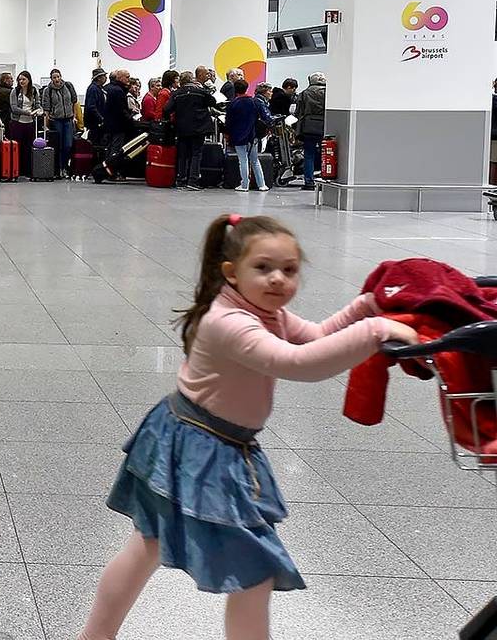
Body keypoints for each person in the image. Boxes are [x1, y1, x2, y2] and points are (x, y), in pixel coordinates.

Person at [76, 213, 418, 640]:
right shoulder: (229, 322)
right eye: (263, 268)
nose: (278, 280)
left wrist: (364, 307)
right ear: (231, 273)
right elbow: (297, 363)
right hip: (195, 447)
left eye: (289, 271)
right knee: (248, 568)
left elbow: (313, 335)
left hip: (201, 441)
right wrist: (374, 329)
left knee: (150, 545)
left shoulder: (263, 309)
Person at [165, 72, 215, 191]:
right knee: (196, 154)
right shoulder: (200, 92)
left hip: (182, 129)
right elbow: (213, 102)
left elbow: (167, 109)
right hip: (198, 128)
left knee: (183, 155)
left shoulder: (176, 94)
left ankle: (181, 180)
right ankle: (193, 180)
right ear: (192, 80)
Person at [226, 80, 273, 192]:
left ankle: (244, 185)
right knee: (255, 160)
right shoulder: (254, 102)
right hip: (253, 135)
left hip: (238, 135)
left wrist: (228, 134)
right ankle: (262, 184)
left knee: (243, 160)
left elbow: (228, 122)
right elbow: (265, 117)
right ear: (247, 88)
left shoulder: (233, 104)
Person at [42, 69, 77, 177]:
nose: (57, 79)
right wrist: (46, 123)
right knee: (59, 146)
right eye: (54, 77)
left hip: (68, 119)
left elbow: (74, 102)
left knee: (68, 145)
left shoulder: (68, 86)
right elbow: (46, 108)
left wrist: (74, 117)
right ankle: (60, 169)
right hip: (56, 120)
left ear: (61, 76)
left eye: (58, 76)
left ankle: (66, 166)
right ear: (51, 79)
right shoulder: (48, 90)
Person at [295, 73, 327, 191]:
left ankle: (309, 182)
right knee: (326, 155)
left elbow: (299, 111)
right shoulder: (329, 92)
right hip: (325, 125)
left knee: (309, 155)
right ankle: (325, 180)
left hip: (308, 127)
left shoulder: (305, 93)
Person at [8, 71, 40, 176]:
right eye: (19, 79)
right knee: (17, 147)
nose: (21, 81)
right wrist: (28, 113)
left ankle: (28, 170)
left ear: (29, 80)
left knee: (28, 147)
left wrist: (38, 111)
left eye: (23, 79)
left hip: (30, 123)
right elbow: (14, 108)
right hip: (17, 122)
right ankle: (17, 169)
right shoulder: (15, 91)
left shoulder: (34, 91)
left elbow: (37, 105)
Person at [103, 69, 136, 160]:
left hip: (109, 125)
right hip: (118, 126)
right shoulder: (118, 91)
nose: (129, 79)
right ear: (120, 78)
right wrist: (131, 120)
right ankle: (111, 168)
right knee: (115, 149)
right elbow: (121, 110)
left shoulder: (108, 88)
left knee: (109, 148)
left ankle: (106, 168)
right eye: (127, 77)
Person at [84, 67, 108, 144]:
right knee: (95, 142)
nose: (106, 78)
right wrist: (101, 118)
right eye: (104, 76)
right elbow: (91, 106)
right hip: (94, 123)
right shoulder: (93, 89)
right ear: (99, 78)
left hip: (96, 122)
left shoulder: (98, 88)